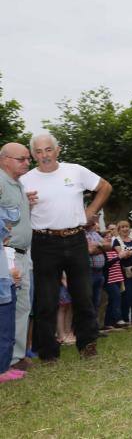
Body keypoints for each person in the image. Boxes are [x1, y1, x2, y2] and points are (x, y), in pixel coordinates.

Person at [21, 132, 112, 362]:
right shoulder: (25, 180)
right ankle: (48, 353)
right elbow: (16, 214)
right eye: (39, 151)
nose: (44, 155)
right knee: (46, 300)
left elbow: (105, 187)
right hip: (43, 242)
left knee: (83, 295)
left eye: (48, 149)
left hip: (75, 239)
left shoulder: (75, 171)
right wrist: (25, 205)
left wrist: (90, 211)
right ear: (33, 155)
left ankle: (87, 344)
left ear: (57, 150)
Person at [0, 143, 34, 372]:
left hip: (22, 254)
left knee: (22, 306)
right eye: (21, 159)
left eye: (28, 159)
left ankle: (15, 357)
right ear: (4, 159)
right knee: (6, 308)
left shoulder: (18, 184)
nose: (27, 162)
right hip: (6, 255)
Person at [0, 205, 24, 382]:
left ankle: (4, 366)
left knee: (7, 328)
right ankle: (2, 370)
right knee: (5, 329)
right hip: (3, 283)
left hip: (6, 283)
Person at [114, 221, 132, 325]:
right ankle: (125, 318)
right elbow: (123, 255)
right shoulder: (116, 241)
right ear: (119, 229)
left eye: (127, 227)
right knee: (127, 295)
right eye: (122, 227)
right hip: (124, 271)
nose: (125, 229)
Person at [101, 228, 125, 330]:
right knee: (116, 297)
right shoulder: (102, 251)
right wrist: (118, 257)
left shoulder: (114, 249)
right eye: (106, 237)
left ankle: (108, 322)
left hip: (117, 278)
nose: (109, 238)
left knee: (112, 300)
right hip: (109, 280)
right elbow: (105, 265)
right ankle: (118, 319)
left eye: (110, 237)